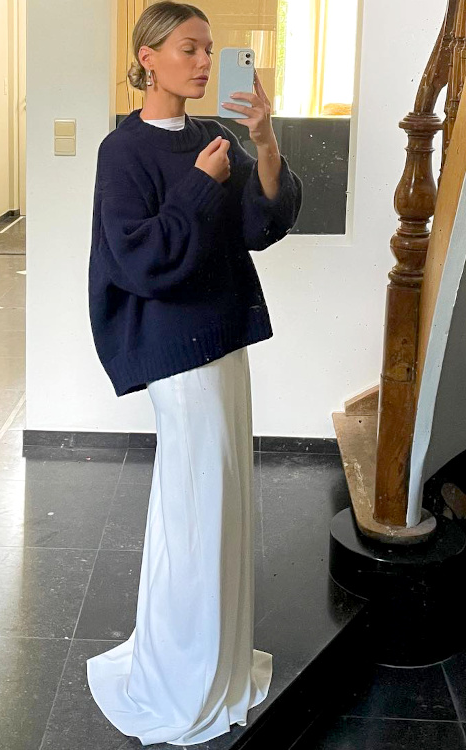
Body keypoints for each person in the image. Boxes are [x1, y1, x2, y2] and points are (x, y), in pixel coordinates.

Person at [86, 2, 303, 745]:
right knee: (193, 507)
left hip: (225, 339)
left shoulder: (216, 137)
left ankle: (214, 660)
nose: (206, 62)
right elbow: (139, 258)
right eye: (190, 48)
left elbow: (259, 226)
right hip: (178, 353)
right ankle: (180, 676)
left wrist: (263, 141)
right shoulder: (123, 151)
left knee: (222, 500)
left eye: (210, 49)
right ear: (148, 57)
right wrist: (200, 186)